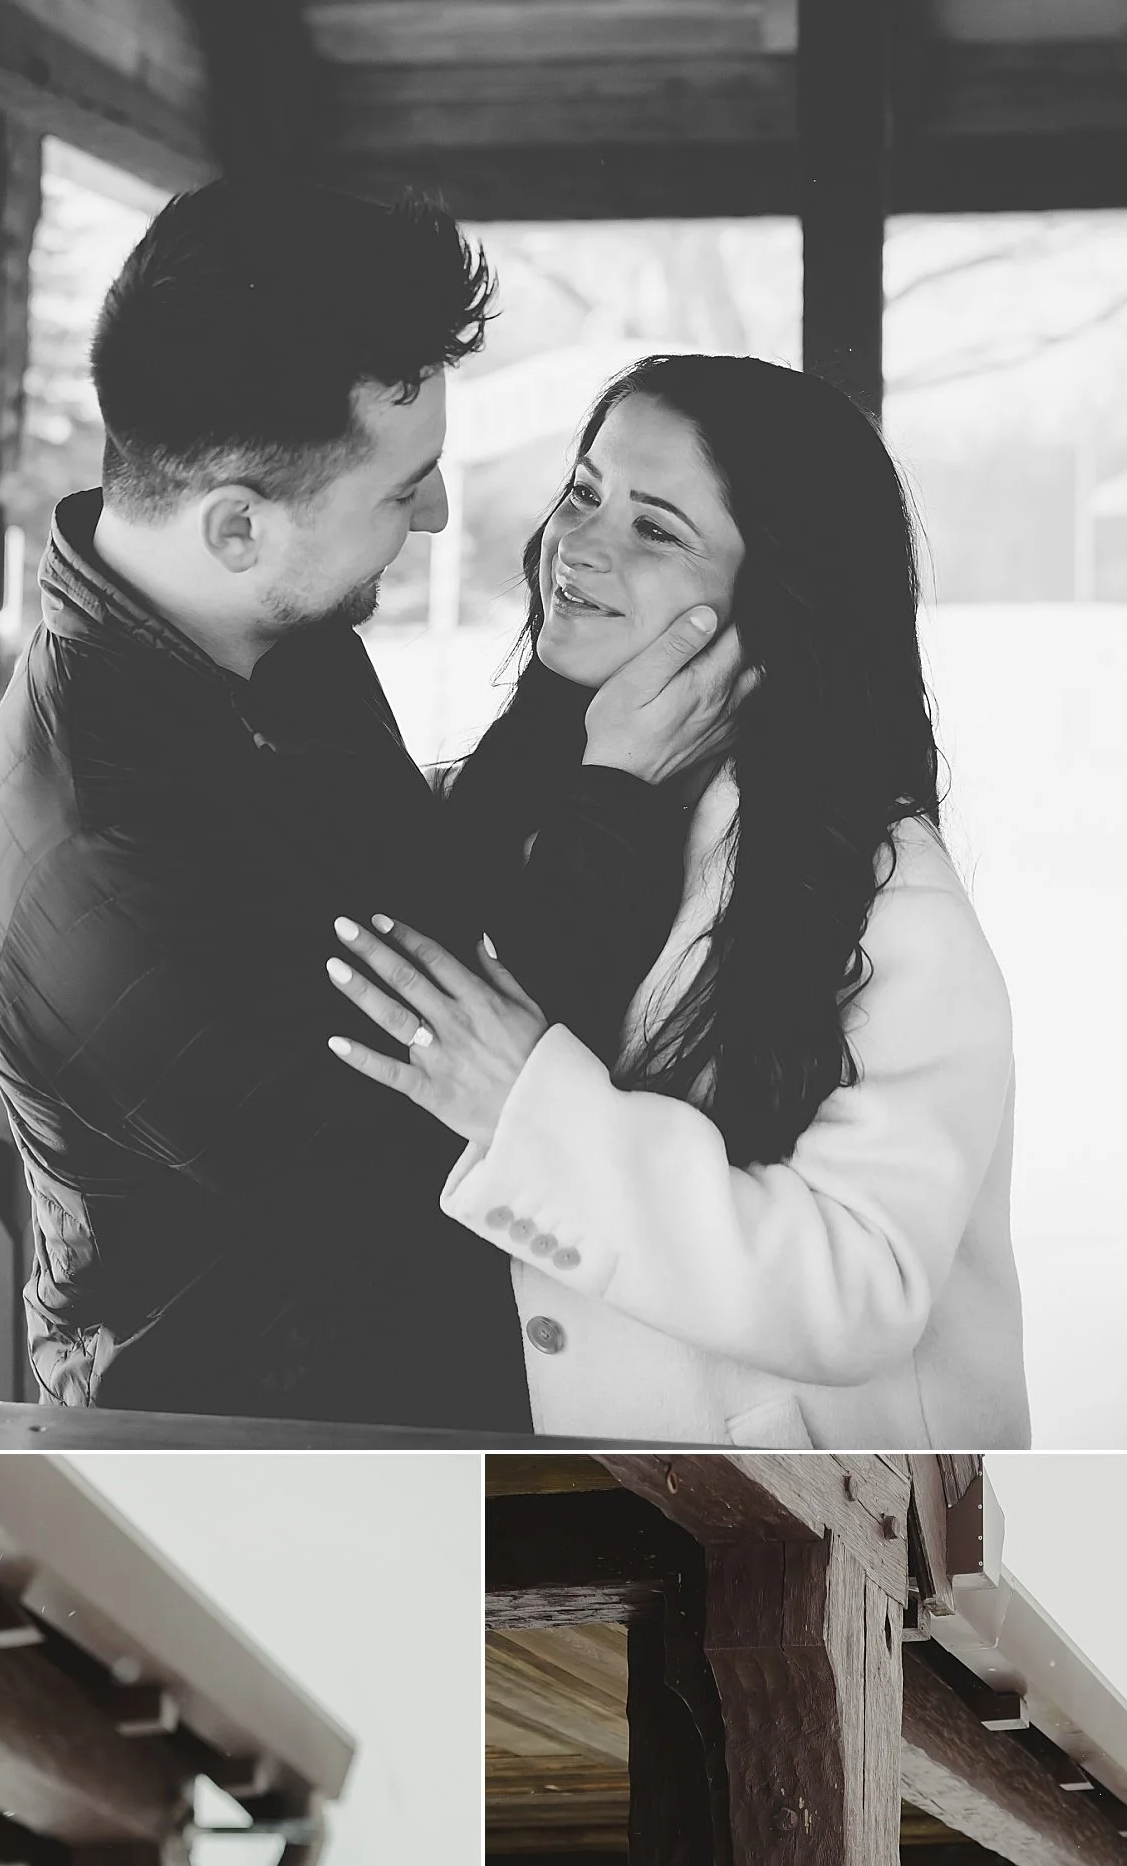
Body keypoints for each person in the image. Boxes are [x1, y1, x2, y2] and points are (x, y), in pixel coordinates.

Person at [0, 178, 741, 1427]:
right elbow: (419, 1143)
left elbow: (421, 890)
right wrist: (616, 803)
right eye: (403, 488)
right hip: (243, 1448)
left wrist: (561, 697)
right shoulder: (104, 858)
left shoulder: (259, 635)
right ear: (237, 528)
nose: (436, 515)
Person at [319, 353, 1031, 1449]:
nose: (581, 546)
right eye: (584, 493)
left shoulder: (883, 895)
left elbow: (860, 1287)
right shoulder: (500, 793)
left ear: (778, 598)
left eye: (657, 530)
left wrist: (534, 1114)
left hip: (790, 1542)